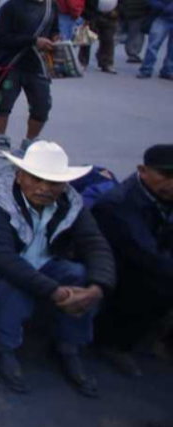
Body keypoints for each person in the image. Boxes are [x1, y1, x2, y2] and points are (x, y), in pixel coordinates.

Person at [0, 141, 115, 396]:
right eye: (37, 179)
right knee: (14, 282)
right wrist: (55, 291)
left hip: (44, 266)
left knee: (79, 274)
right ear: (20, 176)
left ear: (64, 184)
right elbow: (2, 258)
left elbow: (96, 244)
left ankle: (69, 346)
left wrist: (98, 287)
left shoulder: (72, 203)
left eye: (53, 183)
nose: (44, 188)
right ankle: (4, 346)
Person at [91, 143, 173, 377]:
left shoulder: (162, 195)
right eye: (166, 175)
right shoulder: (118, 204)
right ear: (142, 171)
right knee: (156, 286)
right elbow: (148, 255)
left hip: (151, 258)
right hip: (118, 267)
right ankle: (113, 343)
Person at [0, 0, 59, 158]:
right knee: (4, 103)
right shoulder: (11, 7)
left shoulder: (51, 6)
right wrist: (33, 41)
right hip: (11, 64)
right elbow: (2, 38)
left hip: (38, 65)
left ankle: (30, 141)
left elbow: (54, 29)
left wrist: (56, 39)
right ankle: (0, 137)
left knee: (42, 106)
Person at [79, 0, 128, 74]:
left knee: (108, 41)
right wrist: (86, 15)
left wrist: (118, 11)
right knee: (86, 40)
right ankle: (82, 63)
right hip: (93, 14)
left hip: (111, 15)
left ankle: (106, 63)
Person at [121, 0, 160, 65]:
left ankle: (105, 50)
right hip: (140, 11)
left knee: (119, 32)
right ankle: (133, 53)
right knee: (136, 34)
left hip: (127, 8)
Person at [139, 0, 173, 79]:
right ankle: (146, 69)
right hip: (163, 18)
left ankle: (168, 70)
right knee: (153, 45)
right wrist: (163, 7)